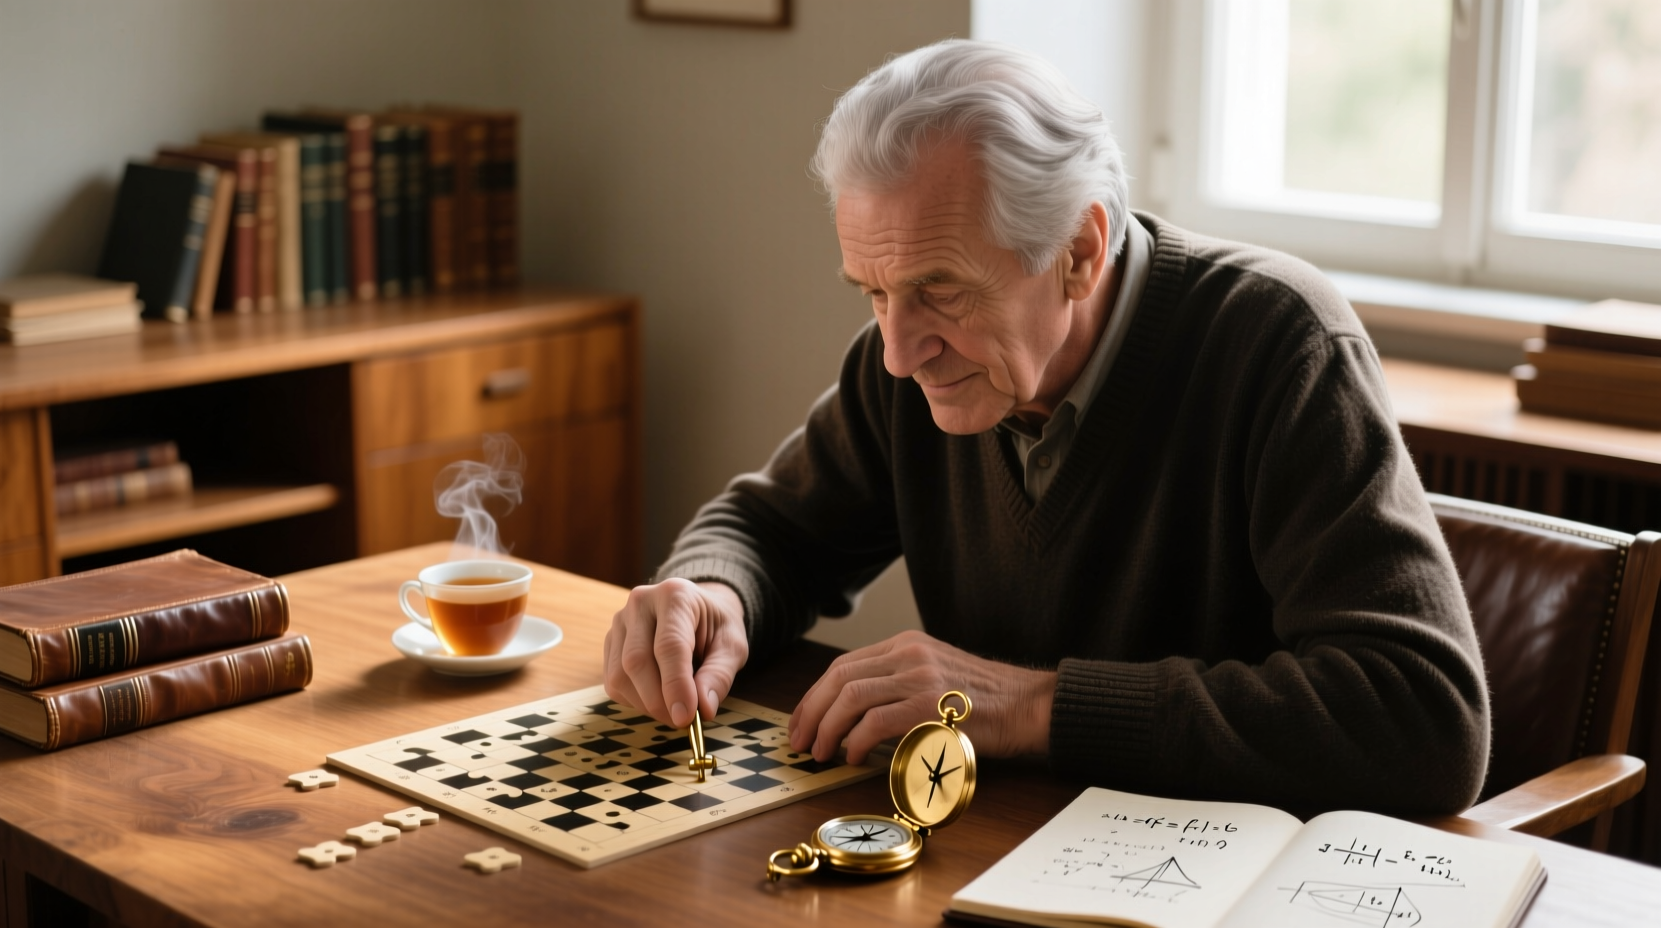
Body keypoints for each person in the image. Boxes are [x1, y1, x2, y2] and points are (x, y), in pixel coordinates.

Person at [604, 39, 1489, 814]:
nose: (898, 355)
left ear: (1079, 252)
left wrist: (1029, 707)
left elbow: (1424, 717)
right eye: (874, 292)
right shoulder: (913, 363)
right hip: (990, 845)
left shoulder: (1281, 343)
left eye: (941, 290)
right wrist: (712, 595)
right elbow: (771, 531)